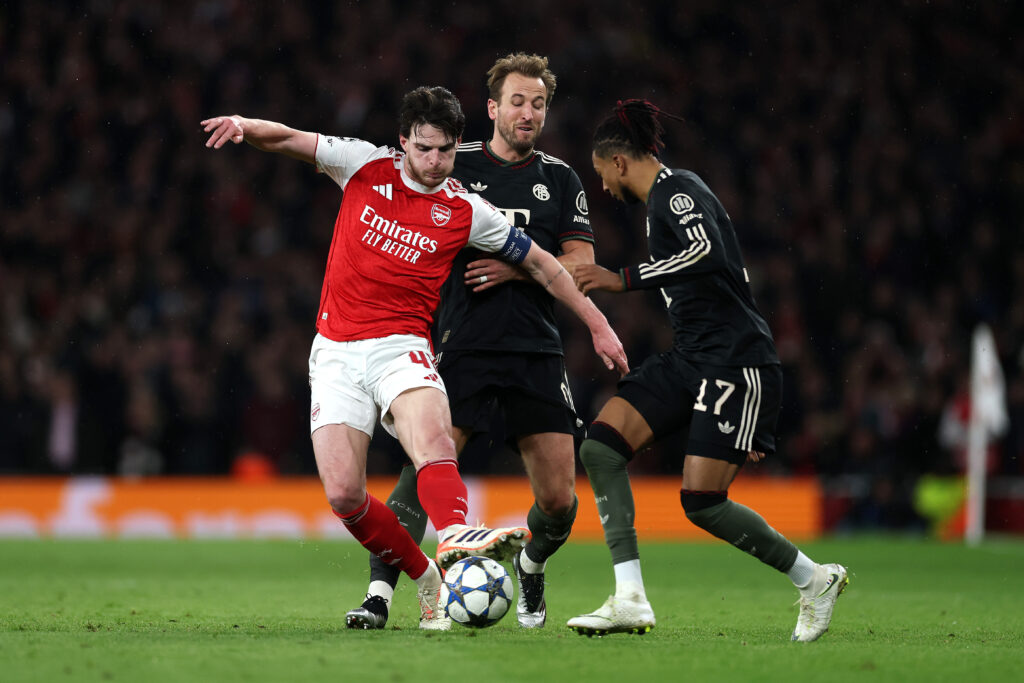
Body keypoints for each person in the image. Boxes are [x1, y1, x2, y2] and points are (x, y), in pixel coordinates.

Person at [200, 86, 627, 631]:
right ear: (403, 141)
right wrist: (244, 124)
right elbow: (287, 139)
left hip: (402, 347)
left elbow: (544, 264)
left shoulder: (466, 209)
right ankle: (426, 577)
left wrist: (598, 323)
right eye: (424, 149)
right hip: (335, 352)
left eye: (446, 151)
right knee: (344, 494)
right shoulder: (362, 164)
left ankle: (455, 536)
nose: (435, 162)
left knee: (433, 442)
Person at [567, 100, 847, 642]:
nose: (603, 187)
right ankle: (630, 598)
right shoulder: (659, 204)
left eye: (602, 174)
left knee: (701, 502)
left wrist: (621, 278)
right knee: (600, 447)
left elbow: (707, 252)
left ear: (619, 162)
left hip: (735, 360)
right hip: (691, 357)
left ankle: (815, 579)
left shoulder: (677, 190)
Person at [346, 53, 602, 631]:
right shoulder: (448, 161)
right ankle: (379, 595)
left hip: (536, 350)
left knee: (559, 500)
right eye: (517, 101)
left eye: (538, 104)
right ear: (492, 108)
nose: (528, 113)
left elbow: (581, 264)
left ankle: (531, 564)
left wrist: (517, 266)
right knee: (421, 469)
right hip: (461, 344)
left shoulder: (560, 179)